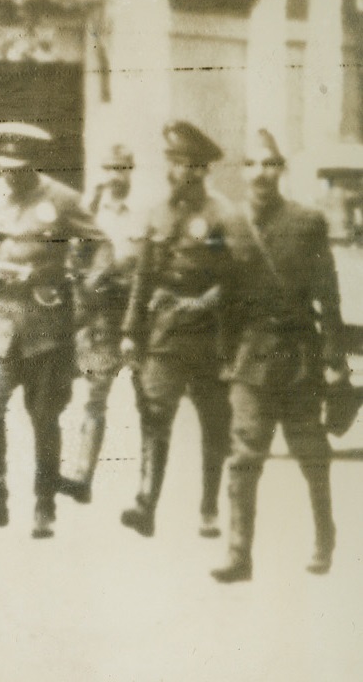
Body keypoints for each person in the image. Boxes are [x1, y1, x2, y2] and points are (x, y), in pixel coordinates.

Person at [0, 122, 107, 539]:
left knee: (44, 417)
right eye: (4, 167)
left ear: (34, 165)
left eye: (20, 168)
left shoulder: (62, 200)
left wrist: (90, 290)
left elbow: (101, 245)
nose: (11, 175)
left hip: (47, 324)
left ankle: (44, 504)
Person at [210, 130, 345, 583]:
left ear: (281, 169)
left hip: (298, 356)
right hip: (250, 359)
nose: (261, 173)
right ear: (243, 171)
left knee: (311, 454)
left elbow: (328, 295)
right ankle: (237, 553)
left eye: (270, 164)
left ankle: (324, 535)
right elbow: (222, 296)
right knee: (245, 459)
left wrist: (334, 359)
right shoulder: (227, 226)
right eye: (252, 164)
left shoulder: (307, 223)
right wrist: (224, 358)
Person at [119, 121, 238, 539]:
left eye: (182, 164)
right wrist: (131, 331)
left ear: (202, 170)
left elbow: (234, 278)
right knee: (155, 416)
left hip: (209, 335)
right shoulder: (157, 211)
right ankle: (145, 504)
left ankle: (208, 508)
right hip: (164, 334)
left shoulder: (222, 214)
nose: (174, 172)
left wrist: (206, 302)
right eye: (171, 162)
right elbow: (143, 276)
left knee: (214, 423)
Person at [58, 145, 146, 504]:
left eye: (123, 168)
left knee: (150, 400)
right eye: (110, 168)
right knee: (95, 395)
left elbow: (143, 262)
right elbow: (72, 257)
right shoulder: (87, 211)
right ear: (102, 171)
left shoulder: (140, 214)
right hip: (100, 315)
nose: (116, 176)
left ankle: (147, 489)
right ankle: (82, 477)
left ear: (131, 172)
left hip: (136, 313)